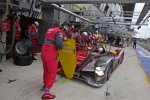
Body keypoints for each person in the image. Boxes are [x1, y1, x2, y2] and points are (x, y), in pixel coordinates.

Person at [41, 20, 66, 99]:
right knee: (52, 72)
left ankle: (45, 85)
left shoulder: (49, 30)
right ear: (58, 25)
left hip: (43, 52)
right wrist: (62, 46)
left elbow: (50, 40)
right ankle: (46, 93)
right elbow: (58, 44)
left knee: (46, 70)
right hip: (51, 54)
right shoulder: (58, 32)